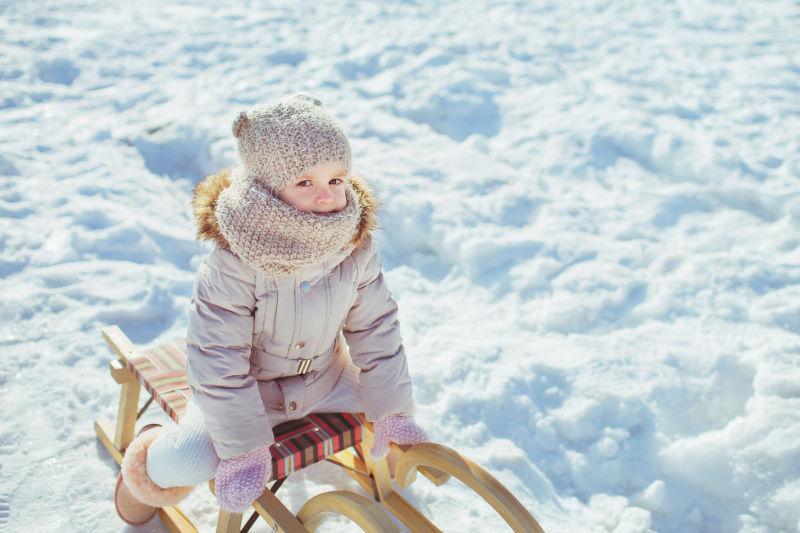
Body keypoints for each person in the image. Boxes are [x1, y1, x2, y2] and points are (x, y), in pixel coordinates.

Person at [113, 93, 428, 524]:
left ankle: (386, 456)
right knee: (190, 458)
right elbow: (217, 359)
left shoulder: (354, 243)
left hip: (324, 380)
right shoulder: (235, 260)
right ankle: (147, 466)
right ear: (267, 189)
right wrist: (242, 447)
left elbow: (376, 327)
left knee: (396, 406)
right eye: (305, 182)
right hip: (246, 393)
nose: (326, 196)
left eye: (336, 180)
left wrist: (390, 409)